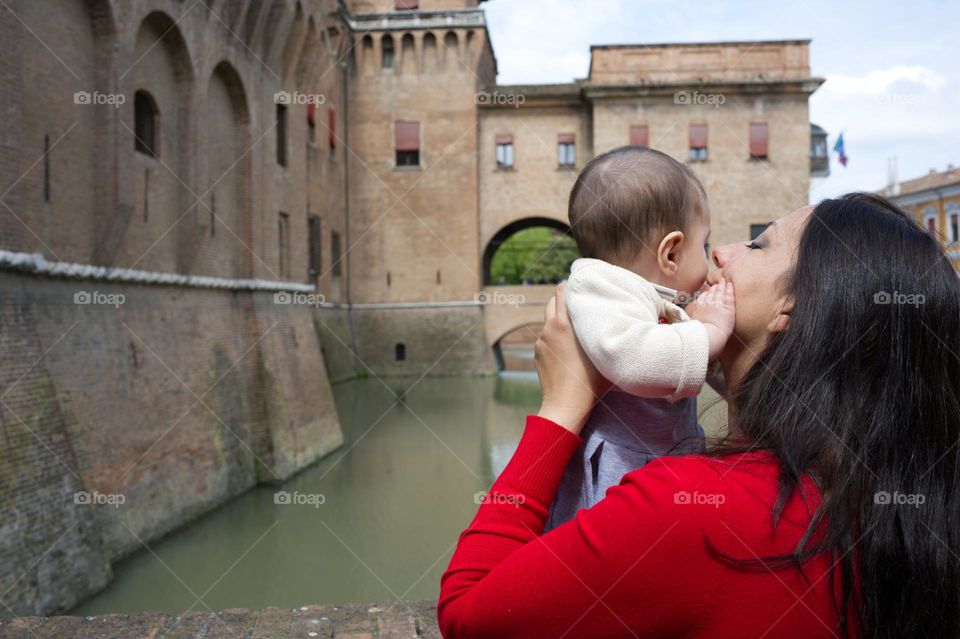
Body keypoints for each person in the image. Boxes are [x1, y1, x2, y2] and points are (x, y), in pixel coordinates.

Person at [438, 193, 960, 638]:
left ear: (793, 308)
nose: (720, 252)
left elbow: (468, 613)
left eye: (758, 243)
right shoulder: (902, 497)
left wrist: (560, 408)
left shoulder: (691, 514)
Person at [546, 146, 733, 531]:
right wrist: (710, 332)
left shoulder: (654, 296)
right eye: (704, 245)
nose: (710, 260)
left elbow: (693, 365)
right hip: (618, 475)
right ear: (671, 254)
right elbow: (634, 360)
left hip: (659, 461)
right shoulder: (598, 286)